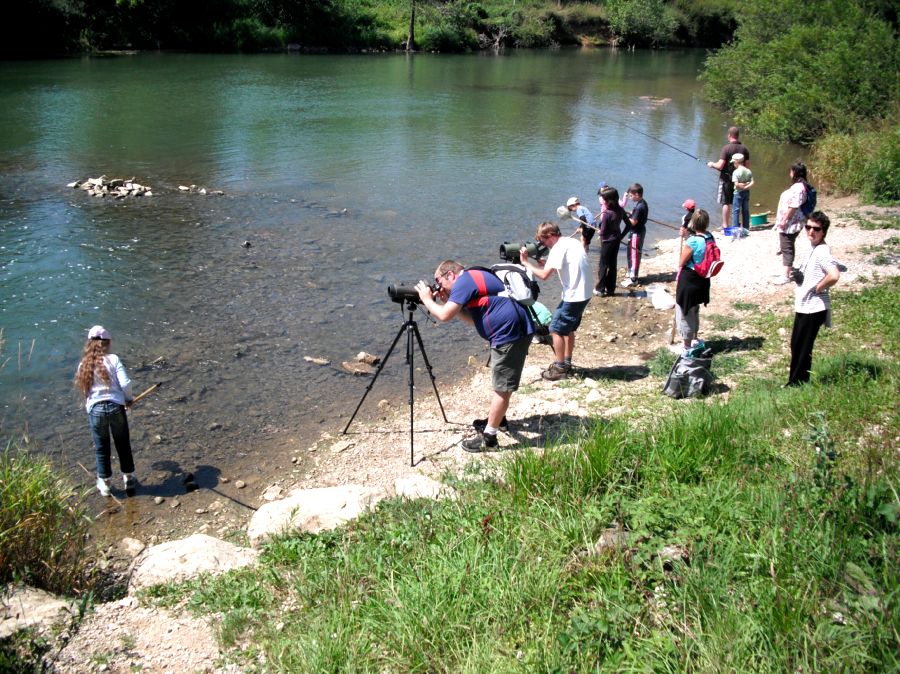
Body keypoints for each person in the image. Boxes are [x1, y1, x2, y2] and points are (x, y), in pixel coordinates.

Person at [415, 262, 533, 451]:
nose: (439, 287)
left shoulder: (464, 281)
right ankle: (498, 419)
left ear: (451, 275)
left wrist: (427, 300)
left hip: (509, 334)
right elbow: (473, 321)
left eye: (439, 281)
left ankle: (490, 438)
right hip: (511, 331)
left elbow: (444, 317)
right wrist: (447, 302)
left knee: (502, 387)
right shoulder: (471, 281)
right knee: (501, 381)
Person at [518, 221, 592, 381]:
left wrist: (525, 263)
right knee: (569, 328)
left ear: (550, 236)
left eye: (543, 241)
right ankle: (567, 361)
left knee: (555, 329)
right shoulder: (571, 242)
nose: (543, 245)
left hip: (574, 296)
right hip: (584, 293)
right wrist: (547, 263)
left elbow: (544, 276)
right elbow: (568, 263)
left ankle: (559, 368)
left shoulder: (558, 247)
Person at [74, 325, 137, 497]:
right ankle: (129, 478)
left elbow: (86, 392)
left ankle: (106, 484)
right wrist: (128, 399)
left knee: (101, 448)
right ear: (107, 343)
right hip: (116, 407)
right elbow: (125, 384)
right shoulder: (114, 359)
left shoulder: (83, 365)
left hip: (95, 411)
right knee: (122, 443)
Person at [787, 212, 840, 386]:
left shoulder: (823, 251)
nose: (811, 232)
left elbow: (834, 275)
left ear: (823, 231)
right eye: (808, 227)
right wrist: (799, 275)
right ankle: (798, 381)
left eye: (816, 229)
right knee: (796, 345)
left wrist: (818, 287)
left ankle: (797, 384)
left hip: (814, 307)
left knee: (802, 348)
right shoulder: (812, 247)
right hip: (805, 306)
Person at [674, 209, 713, 354]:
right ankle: (695, 338)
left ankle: (686, 346)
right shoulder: (710, 237)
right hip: (703, 280)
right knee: (695, 309)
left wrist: (686, 240)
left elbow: (682, 261)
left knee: (684, 311)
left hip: (690, 280)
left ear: (693, 223)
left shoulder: (692, 241)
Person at [774, 161, 811, 285]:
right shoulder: (802, 186)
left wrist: (784, 220)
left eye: (791, 171)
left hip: (791, 223)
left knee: (787, 247)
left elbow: (794, 205)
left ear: (795, 172)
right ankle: (787, 269)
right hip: (794, 221)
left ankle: (785, 276)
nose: (789, 173)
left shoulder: (798, 188)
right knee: (787, 245)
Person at [706, 126, 750, 229]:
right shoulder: (744, 149)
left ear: (729, 135)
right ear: (738, 136)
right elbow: (747, 167)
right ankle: (740, 224)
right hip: (740, 180)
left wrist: (711, 164)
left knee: (725, 202)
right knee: (738, 202)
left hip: (726, 180)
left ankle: (725, 225)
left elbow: (720, 165)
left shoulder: (726, 148)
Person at [594, 187, 627, 297]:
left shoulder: (607, 213)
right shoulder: (620, 210)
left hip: (607, 242)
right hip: (616, 240)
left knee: (603, 264)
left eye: (604, 199)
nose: (602, 201)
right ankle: (611, 289)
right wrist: (621, 236)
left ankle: (600, 289)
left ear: (609, 200)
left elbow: (602, 231)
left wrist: (599, 232)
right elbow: (629, 225)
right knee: (613, 264)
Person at [620, 183, 648, 287]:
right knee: (632, 254)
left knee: (633, 256)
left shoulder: (639, 207)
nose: (630, 198)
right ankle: (632, 274)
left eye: (631, 196)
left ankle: (633, 279)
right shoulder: (642, 203)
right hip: (640, 231)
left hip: (636, 233)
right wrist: (629, 213)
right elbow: (635, 214)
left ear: (637, 194)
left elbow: (632, 222)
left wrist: (623, 216)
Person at [731, 153, 753, 231]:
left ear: (736, 162)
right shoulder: (748, 171)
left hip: (738, 193)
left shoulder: (735, 172)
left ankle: (735, 228)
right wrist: (746, 186)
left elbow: (736, 185)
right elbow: (752, 182)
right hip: (747, 192)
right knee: (745, 210)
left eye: (733, 162)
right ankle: (746, 228)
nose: (733, 164)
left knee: (736, 211)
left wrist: (741, 186)